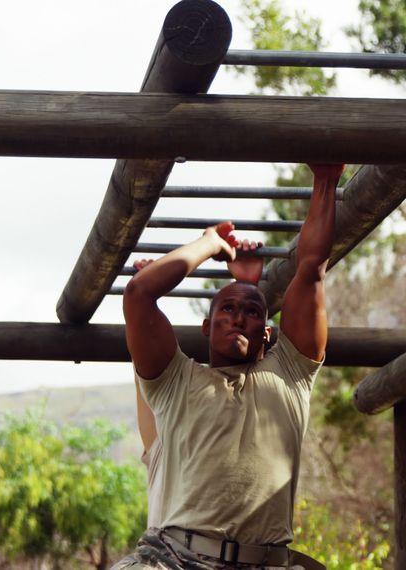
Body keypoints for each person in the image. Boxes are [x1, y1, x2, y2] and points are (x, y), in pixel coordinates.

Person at [112, 164, 342, 570]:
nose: (238, 317)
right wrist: (209, 244)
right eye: (228, 309)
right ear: (206, 326)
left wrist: (326, 179)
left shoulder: (290, 374)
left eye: (253, 312)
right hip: (175, 559)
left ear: (268, 334)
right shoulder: (176, 382)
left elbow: (311, 269)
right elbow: (139, 295)